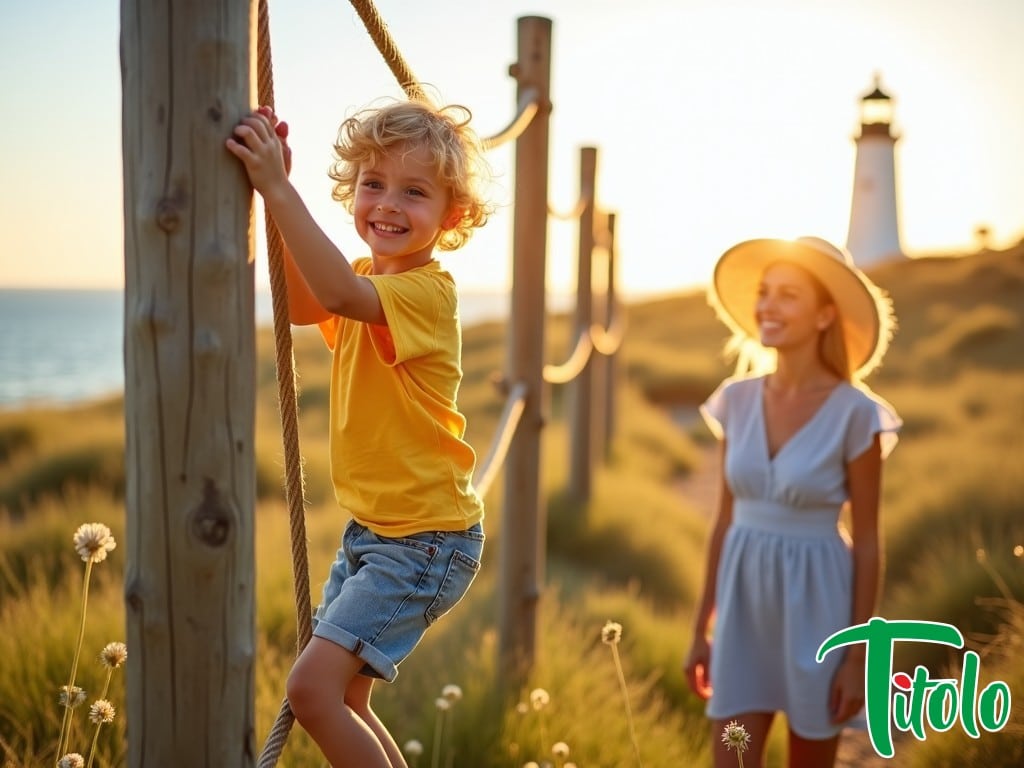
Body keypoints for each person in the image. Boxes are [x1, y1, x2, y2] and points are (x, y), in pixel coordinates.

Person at [226, 99, 492, 768]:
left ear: (451, 216)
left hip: (424, 540)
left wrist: (277, 189)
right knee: (345, 699)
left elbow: (338, 294)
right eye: (373, 184)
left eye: (414, 191)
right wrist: (269, 194)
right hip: (379, 533)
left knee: (312, 691)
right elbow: (308, 302)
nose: (387, 204)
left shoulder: (426, 295)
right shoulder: (370, 277)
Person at [682, 236, 901, 767]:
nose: (767, 306)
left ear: (825, 316)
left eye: (788, 295)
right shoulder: (735, 399)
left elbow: (868, 542)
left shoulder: (857, 414)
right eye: (764, 292)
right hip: (742, 604)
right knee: (732, 758)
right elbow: (724, 520)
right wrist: (700, 631)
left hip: (821, 603)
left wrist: (858, 659)